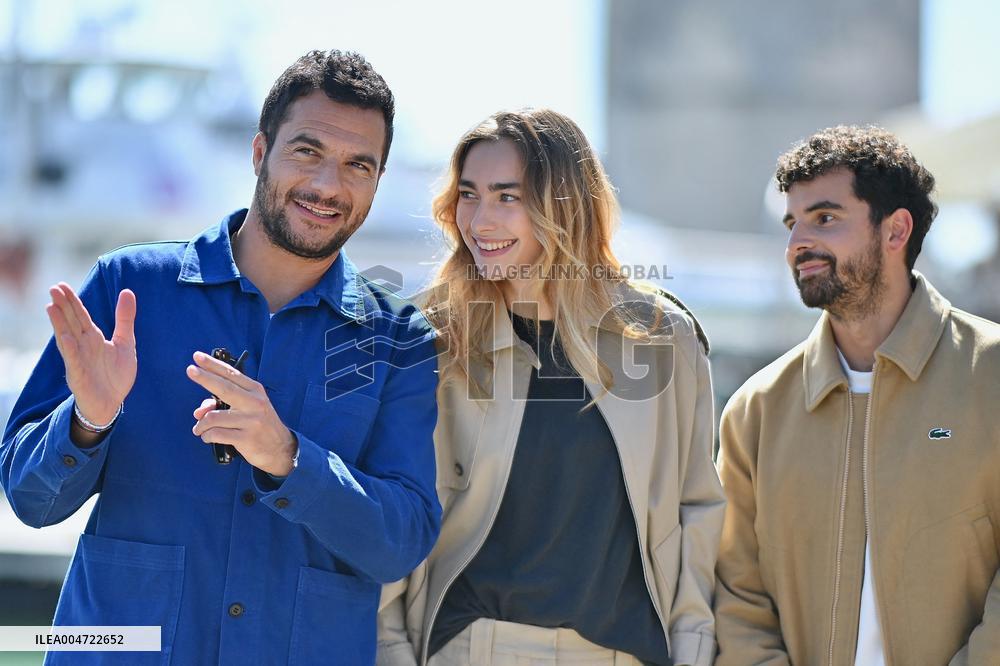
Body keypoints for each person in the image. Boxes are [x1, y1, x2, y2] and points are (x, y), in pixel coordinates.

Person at [1, 50, 441, 665]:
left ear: (376, 181)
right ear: (260, 153)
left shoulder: (400, 339)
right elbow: (30, 500)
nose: (327, 185)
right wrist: (88, 420)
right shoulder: (131, 288)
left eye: (357, 166)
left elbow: (401, 543)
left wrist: (291, 460)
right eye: (307, 152)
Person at [377, 108, 725, 666]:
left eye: (507, 197)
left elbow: (697, 510)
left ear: (564, 205)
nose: (481, 220)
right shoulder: (430, 337)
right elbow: (394, 510)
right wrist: (391, 651)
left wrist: (694, 650)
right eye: (469, 194)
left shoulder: (662, 339)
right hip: (472, 649)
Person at [714, 125, 1000, 664]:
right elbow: (736, 598)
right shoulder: (756, 411)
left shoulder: (991, 376)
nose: (798, 242)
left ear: (895, 231)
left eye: (824, 218)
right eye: (792, 223)